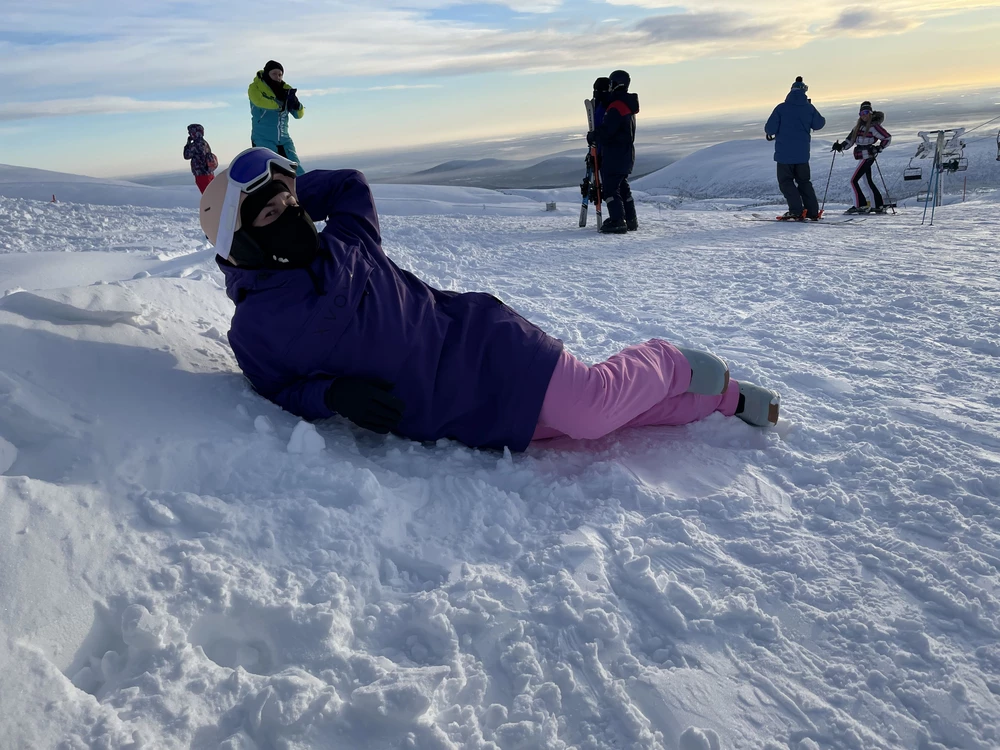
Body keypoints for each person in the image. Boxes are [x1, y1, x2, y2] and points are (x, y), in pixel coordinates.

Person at [199, 148, 780, 453]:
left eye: (293, 205)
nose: (292, 218)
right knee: (595, 429)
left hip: (483, 345)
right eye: (272, 215)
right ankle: (721, 400)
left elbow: (350, 183)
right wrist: (331, 394)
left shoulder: (348, 240)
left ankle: (669, 360)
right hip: (455, 413)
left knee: (592, 408)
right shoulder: (254, 332)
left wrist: (293, 188)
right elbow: (279, 387)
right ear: (244, 243)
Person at [764, 76, 826, 221]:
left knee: (786, 182)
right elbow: (819, 124)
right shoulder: (809, 108)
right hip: (803, 155)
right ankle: (812, 211)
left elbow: (769, 128)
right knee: (804, 182)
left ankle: (797, 210)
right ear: (804, 92)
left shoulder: (781, 108)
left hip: (784, 155)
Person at [587, 70, 639, 234]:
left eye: (611, 84)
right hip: (625, 153)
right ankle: (630, 219)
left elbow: (608, 130)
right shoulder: (627, 105)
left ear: (615, 84)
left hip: (615, 154)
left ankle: (618, 221)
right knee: (622, 186)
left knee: (610, 188)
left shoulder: (616, 107)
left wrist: (594, 136)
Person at [832, 101, 892, 214]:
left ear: (871, 113)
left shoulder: (874, 127)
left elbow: (887, 138)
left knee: (853, 181)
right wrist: (840, 147)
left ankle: (860, 205)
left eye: (866, 112)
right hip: (862, 156)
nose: (864, 115)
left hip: (867, 156)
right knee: (867, 181)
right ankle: (877, 205)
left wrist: (879, 148)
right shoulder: (858, 127)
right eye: (861, 113)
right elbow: (849, 141)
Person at [248, 60, 305, 175]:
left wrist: (297, 105)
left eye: (280, 74)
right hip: (263, 139)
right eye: (274, 74)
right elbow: (259, 101)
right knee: (271, 172)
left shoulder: (286, 91)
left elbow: (298, 115)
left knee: (295, 170)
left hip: (284, 139)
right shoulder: (255, 87)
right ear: (267, 74)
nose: (278, 77)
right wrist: (280, 104)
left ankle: (304, 192)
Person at [183, 124, 218, 194]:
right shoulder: (204, 143)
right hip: (209, 172)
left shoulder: (196, 144)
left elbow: (186, 155)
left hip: (201, 174)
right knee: (213, 194)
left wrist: (188, 143)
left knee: (207, 195)